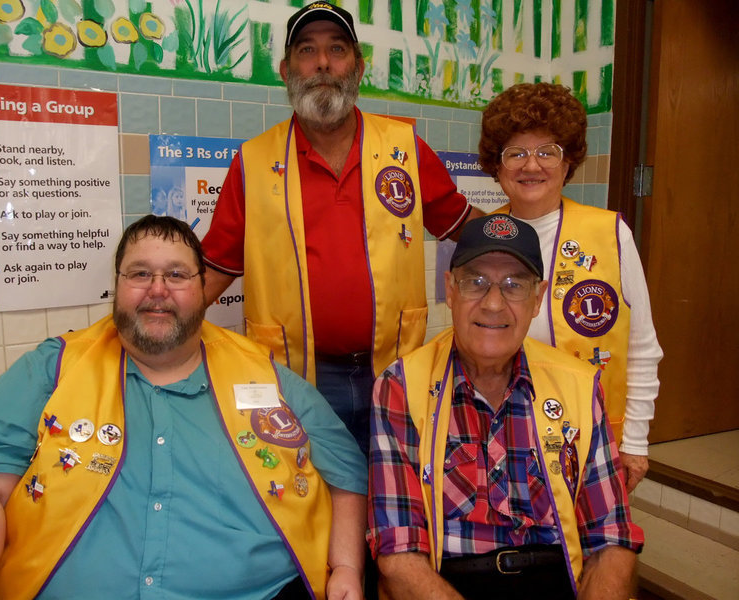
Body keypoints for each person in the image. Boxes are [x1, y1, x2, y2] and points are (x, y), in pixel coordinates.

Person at [0, 215, 368, 600]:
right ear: (118, 285)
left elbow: (346, 471)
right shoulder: (53, 367)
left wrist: (347, 567)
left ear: (204, 289)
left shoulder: (265, 374)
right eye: (140, 273)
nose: (158, 290)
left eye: (177, 275)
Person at [200, 1, 476, 454]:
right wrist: (159, 319)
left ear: (359, 66)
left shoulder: (405, 149)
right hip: (295, 375)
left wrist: (533, 225)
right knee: (307, 499)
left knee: (391, 498)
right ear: (286, 70)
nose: (323, 63)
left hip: (394, 366)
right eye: (307, 50)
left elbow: (465, 228)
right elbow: (214, 268)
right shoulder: (251, 162)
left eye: (337, 49)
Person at [367, 215, 644, 600]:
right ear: (450, 289)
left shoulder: (578, 385)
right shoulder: (400, 387)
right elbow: (399, 555)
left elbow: (611, 538)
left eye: (514, 285)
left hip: (558, 575)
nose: (494, 304)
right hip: (445, 584)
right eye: (475, 282)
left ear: (538, 297)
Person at [478, 82, 663, 492]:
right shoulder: (485, 236)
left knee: (591, 551)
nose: (531, 165)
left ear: (568, 162)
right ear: (497, 165)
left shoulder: (611, 235)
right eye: (516, 153)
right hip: (503, 438)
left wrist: (634, 442)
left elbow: (642, 347)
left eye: (547, 151)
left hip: (593, 440)